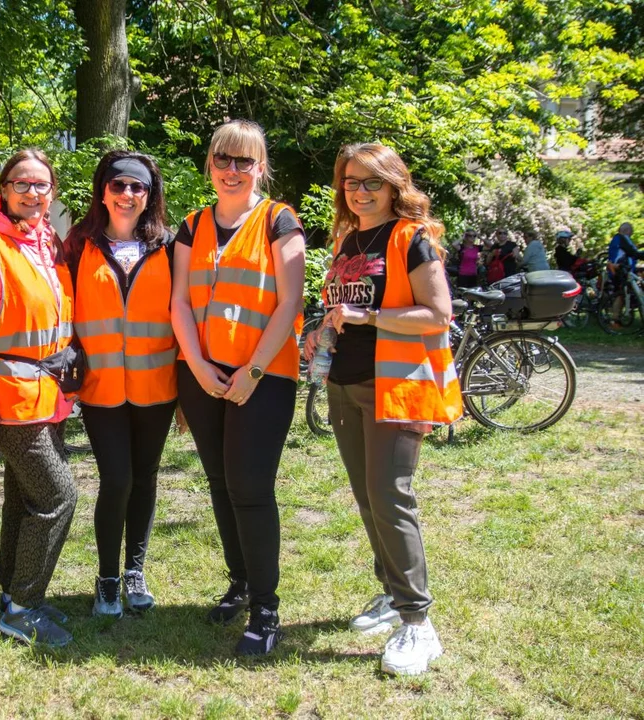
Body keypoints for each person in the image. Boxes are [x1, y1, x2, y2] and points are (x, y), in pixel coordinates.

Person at [304, 142, 461, 677]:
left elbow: (437, 315)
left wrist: (367, 315)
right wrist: (322, 326)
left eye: (373, 181)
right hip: (345, 385)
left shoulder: (410, 238)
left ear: (395, 185)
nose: (361, 190)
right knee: (369, 499)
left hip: (394, 385)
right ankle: (394, 596)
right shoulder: (349, 238)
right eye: (352, 181)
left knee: (390, 497)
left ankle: (419, 623)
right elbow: (342, 305)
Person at [170, 119, 306, 656]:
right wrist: (199, 368)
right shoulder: (191, 225)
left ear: (260, 167)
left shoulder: (279, 220)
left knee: (250, 488)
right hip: (203, 373)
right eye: (223, 159)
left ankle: (266, 608)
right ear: (210, 164)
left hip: (264, 375)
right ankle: (240, 581)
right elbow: (180, 302)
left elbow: (289, 302)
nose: (232, 170)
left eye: (244, 161)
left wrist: (251, 372)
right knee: (221, 484)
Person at [0, 149, 78, 648]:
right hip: (9, 392)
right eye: (22, 184)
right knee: (57, 497)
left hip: (45, 387)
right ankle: (23, 607)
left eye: (42, 185)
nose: (33, 193)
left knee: (23, 497)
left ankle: (12, 595)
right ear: (3, 190)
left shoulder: (45, 244)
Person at [64, 151, 177, 618]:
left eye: (138, 188)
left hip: (158, 386)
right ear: (103, 192)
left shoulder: (170, 245)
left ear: (149, 195)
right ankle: (107, 576)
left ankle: (135, 570)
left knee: (145, 478)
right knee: (117, 479)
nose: (128, 195)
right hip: (101, 388)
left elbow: (186, 314)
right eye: (118, 186)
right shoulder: (78, 245)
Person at [607, 222, 642, 325]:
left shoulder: (617, 239)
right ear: (628, 230)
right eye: (632, 231)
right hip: (621, 270)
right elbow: (633, 252)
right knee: (621, 294)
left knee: (622, 294)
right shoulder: (622, 238)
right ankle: (614, 320)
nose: (632, 233)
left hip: (618, 270)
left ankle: (616, 319)